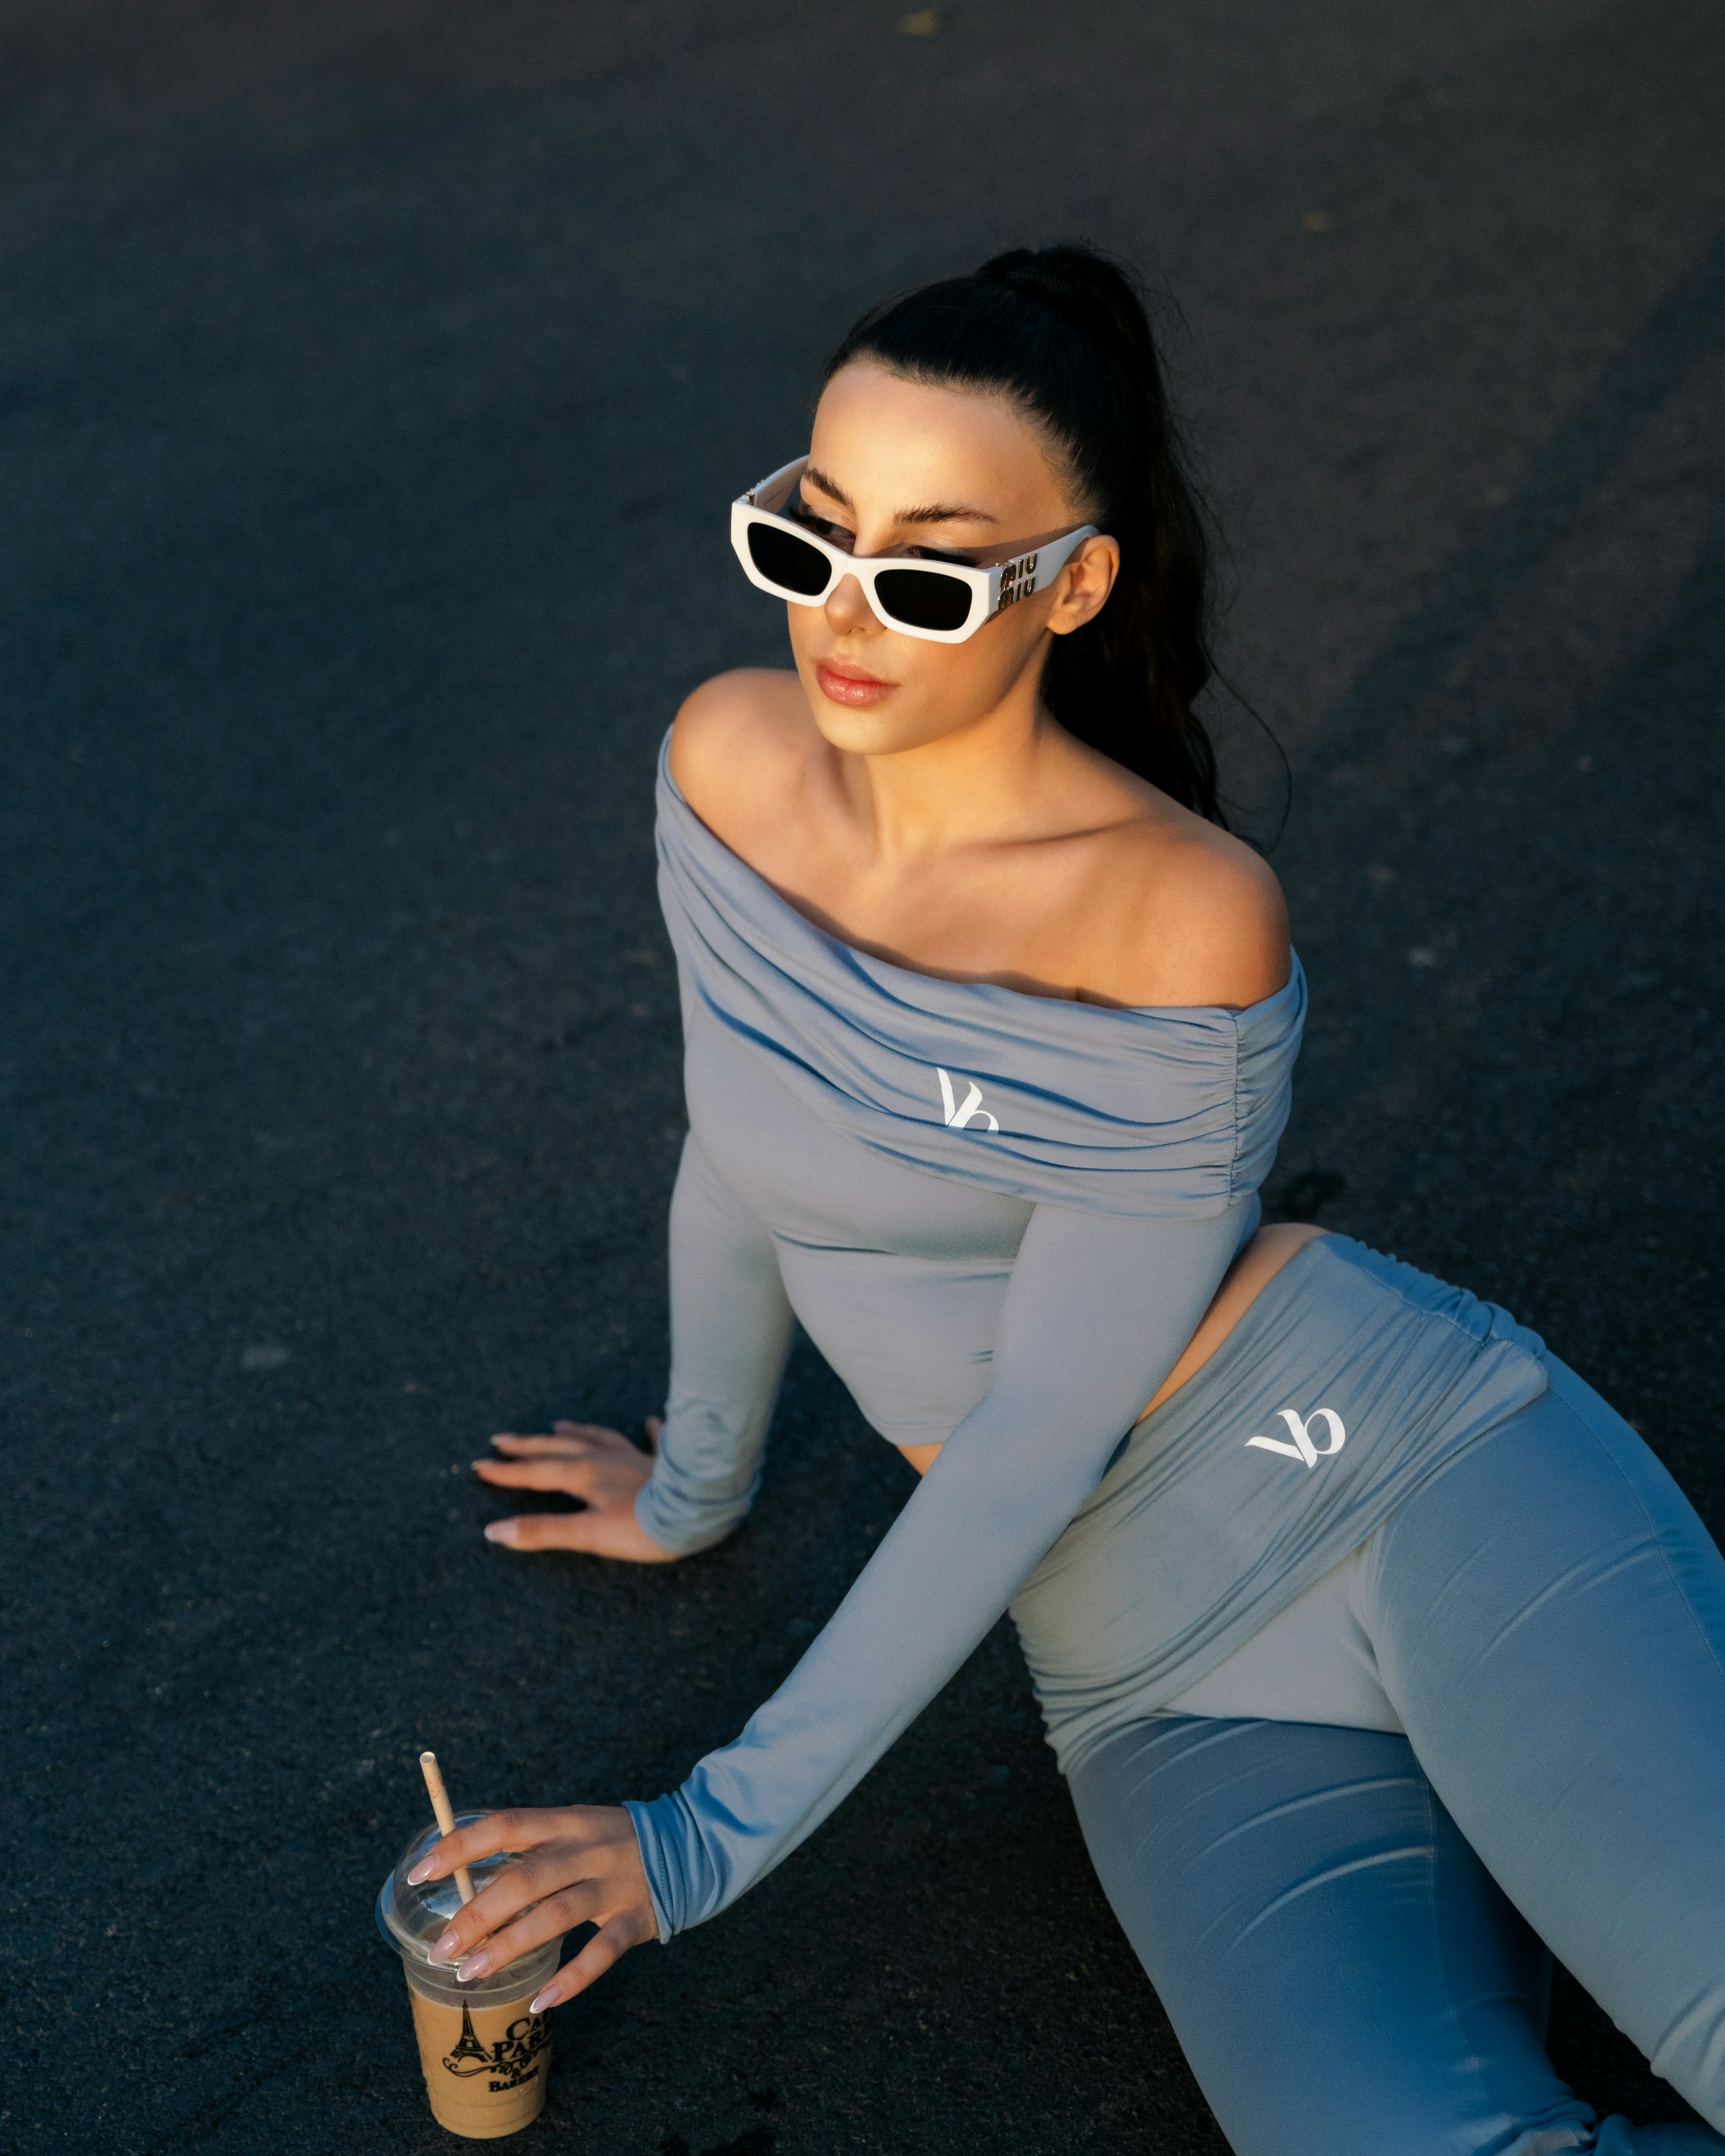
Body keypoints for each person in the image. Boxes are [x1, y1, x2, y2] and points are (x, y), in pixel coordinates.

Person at [408, 247, 1725, 2155]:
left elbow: (1036, 1425)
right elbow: (741, 1148)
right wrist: (693, 1489)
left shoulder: (1174, 912)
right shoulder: (724, 762)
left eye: (928, 573)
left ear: (1070, 584)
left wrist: (700, 1837)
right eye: (810, 538)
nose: (844, 620)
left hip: (1392, 1470)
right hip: (1147, 1665)